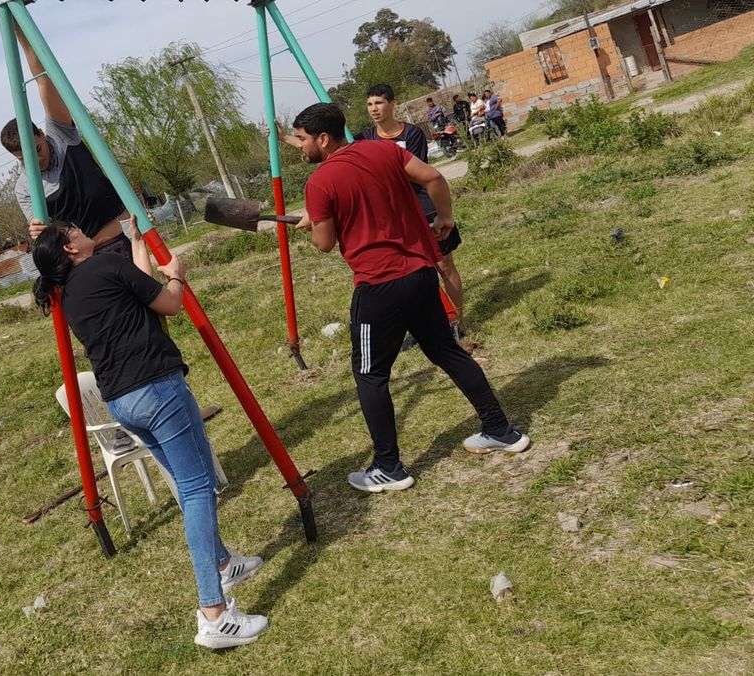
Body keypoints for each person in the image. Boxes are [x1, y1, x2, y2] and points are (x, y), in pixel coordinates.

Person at [31, 218, 269, 649]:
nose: (82, 230)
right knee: (198, 489)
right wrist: (176, 275)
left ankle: (223, 562)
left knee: (187, 480)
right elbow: (169, 304)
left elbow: (138, 288)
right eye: (73, 231)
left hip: (123, 402)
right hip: (156, 389)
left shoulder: (68, 292)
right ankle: (214, 613)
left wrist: (137, 242)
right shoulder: (105, 265)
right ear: (70, 248)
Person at [290, 102, 529, 492]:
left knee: (370, 375)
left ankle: (388, 468)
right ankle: (501, 430)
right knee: (447, 351)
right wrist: (445, 217)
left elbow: (324, 242)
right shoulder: (384, 150)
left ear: (323, 138)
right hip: (420, 273)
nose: (299, 147)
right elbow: (433, 177)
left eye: (301, 139)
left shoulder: (320, 182)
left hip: (378, 286)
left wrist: (314, 221)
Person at [0, 27, 130, 256]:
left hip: (118, 236)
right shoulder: (25, 187)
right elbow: (44, 230)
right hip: (84, 259)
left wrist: (19, 30)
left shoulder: (61, 136)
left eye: (37, 149)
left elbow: (43, 80)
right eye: (25, 158)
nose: (36, 159)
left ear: (42, 133)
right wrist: (37, 229)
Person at [359, 84, 465, 323]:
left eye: (379, 103)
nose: (374, 109)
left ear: (392, 104)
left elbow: (414, 173)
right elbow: (329, 146)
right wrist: (288, 139)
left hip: (424, 210)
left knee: (444, 266)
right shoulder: (365, 137)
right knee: (414, 274)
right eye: (369, 104)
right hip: (394, 217)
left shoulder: (412, 134)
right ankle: (433, 324)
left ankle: (457, 321)